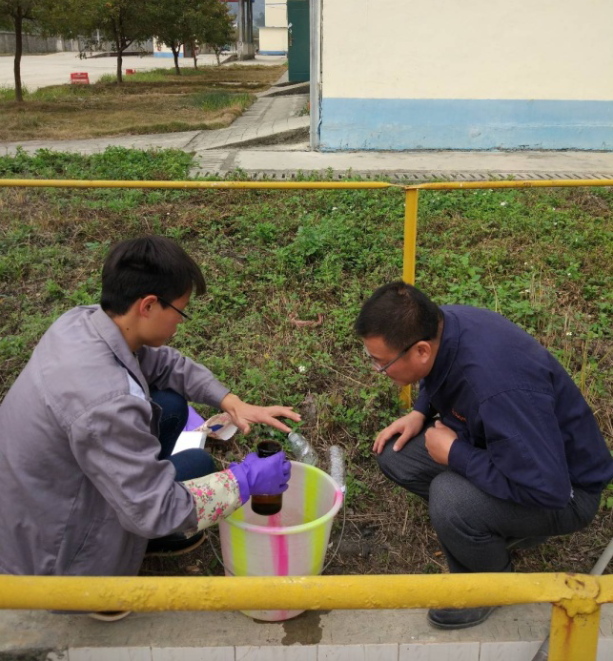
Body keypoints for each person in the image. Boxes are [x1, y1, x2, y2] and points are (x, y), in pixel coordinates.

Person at [0, 235, 298, 618]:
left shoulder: (82, 324)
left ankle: (129, 539)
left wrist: (231, 402)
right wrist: (244, 480)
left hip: (33, 505)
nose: (180, 322)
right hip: (54, 563)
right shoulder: (105, 404)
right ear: (148, 305)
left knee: (170, 405)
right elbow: (156, 508)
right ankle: (102, 591)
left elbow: (165, 365)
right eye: (181, 311)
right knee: (200, 468)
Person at [356, 281, 613, 630]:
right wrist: (420, 411)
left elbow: (548, 489)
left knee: (449, 498)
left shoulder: (497, 389)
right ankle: (491, 531)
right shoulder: (445, 325)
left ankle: (490, 586)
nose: (377, 370)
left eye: (381, 363)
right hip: (511, 450)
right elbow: (438, 374)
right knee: (395, 454)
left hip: (566, 492)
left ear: (420, 351)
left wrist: (456, 456)